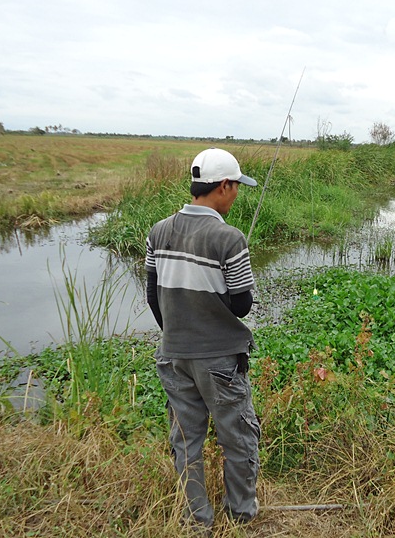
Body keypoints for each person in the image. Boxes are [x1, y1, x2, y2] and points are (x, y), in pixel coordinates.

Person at [145, 147, 261, 531]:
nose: (238, 194)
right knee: (238, 437)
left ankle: (197, 522)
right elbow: (242, 305)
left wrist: (177, 332)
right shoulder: (229, 238)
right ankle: (241, 514)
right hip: (220, 361)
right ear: (224, 186)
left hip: (173, 355)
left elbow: (152, 294)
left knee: (186, 441)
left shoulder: (158, 231)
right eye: (237, 186)